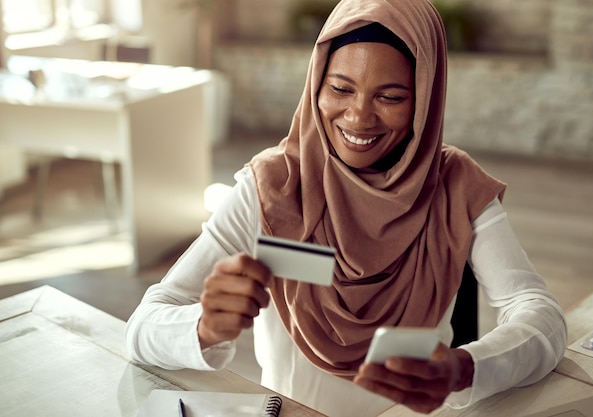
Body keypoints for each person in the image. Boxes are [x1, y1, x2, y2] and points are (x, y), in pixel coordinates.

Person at [125, 0, 567, 415]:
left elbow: (540, 313)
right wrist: (203, 325)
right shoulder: (273, 187)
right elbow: (142, 328)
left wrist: (464, 367)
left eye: (390, 97)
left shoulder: (455, 188)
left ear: (425, 100)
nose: (358, 117)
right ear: (317, 83)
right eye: (340, 88)